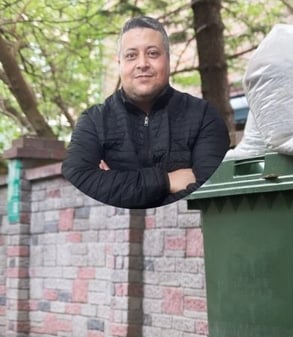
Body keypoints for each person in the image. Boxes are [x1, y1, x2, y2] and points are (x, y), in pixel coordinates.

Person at [62, 16, 229, 210]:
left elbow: (209, 191)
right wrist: (167, 181)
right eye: (131, 55)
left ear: (167, 59)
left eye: (152, 53)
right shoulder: (94, 121)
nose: (142, 63)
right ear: (120, 63)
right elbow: (79, 182)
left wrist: (116, 189)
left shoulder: (204, 117)